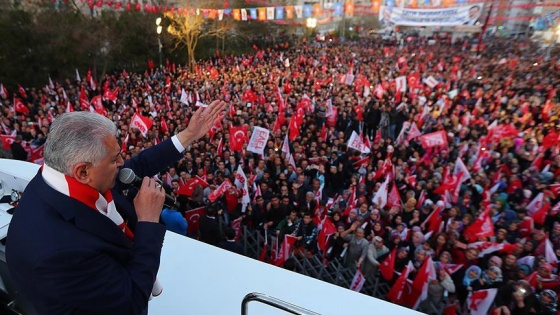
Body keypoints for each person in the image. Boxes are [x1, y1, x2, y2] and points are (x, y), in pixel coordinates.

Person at [6, 101, 226, 314]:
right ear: (82, 171)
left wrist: (188, 134)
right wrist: (148, 222)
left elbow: (138, 165)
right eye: (115, 159)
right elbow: (131, 302)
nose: (122, 162)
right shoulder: (60, 253)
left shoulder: (65, 176)